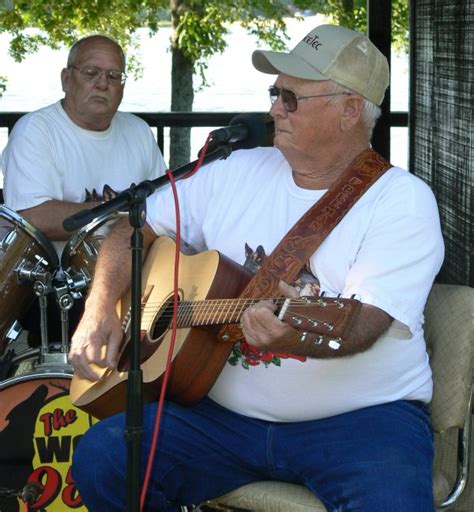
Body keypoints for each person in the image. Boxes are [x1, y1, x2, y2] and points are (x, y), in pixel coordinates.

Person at [69, 24, 444, 512]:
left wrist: (289, 335)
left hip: (360, 422)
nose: (273, 110)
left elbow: (361, 324)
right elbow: (129, 229)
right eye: (274, 93)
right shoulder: (235, 170)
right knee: (104, 457)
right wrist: (99, 309)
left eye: (290, 98)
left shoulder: (401, 201)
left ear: (350, 109)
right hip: (219, 418)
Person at [1, 34, 167, 343]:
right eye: (90, 72)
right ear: (66, 78)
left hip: (137, 278)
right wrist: (122, 213)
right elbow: (35, 217)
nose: (102, 83)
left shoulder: (139, 131)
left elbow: (166, 208)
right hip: (59, 288)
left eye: (114, 76)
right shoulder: (36, 131)